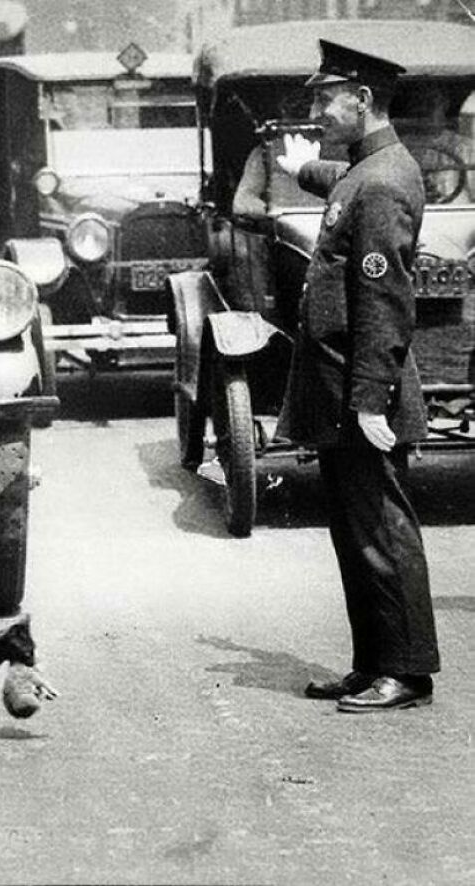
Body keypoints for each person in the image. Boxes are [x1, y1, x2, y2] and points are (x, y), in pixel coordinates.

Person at [274, 40, 440, 712]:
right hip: (343, 390)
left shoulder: (381, 183)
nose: (315, 109)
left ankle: (406, 672)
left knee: (382, 532)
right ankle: (373, 663)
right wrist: (301, 167)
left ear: (362, 99)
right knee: (356, 532)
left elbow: (385, 302)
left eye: (324, 97)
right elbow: (339, 182)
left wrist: (371, 401)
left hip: (362, 393)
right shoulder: (366, 171)